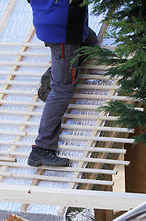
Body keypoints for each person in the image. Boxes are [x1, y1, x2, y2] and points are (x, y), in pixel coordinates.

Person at [27, 0, 98, 167]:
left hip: (51, 20)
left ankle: (57, 72)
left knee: (90, 41)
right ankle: (42, 148)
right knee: (63, 89)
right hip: (63, 29)